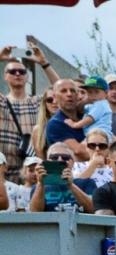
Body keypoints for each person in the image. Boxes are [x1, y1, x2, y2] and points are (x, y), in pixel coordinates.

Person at [1, 51, 45, 183]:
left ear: (28, 76)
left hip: (31, 175)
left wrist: (44, 63)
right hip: (3, 173)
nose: (17, 74)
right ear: (5, 76)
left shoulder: (37, 102)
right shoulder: (1, 101)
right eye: (12, 71)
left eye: (22, 71)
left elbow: (62, 90)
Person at [27, 143, 94, 211]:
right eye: (54, 157)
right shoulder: (38, 187)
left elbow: (92, 209)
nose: (60, 160)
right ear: (47, 161)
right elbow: (35, 213)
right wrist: (40, 184)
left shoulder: (86, 183)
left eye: (65, 157)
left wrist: (71, 185)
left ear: (73, 162)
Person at [44, 79, 90, 160]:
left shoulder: (87, 117)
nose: (69, 94)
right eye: (63, 91)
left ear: (77, 95)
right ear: (55, 97)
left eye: (72, 90)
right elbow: (80, 152)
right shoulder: (56, 124)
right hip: (69, 171)